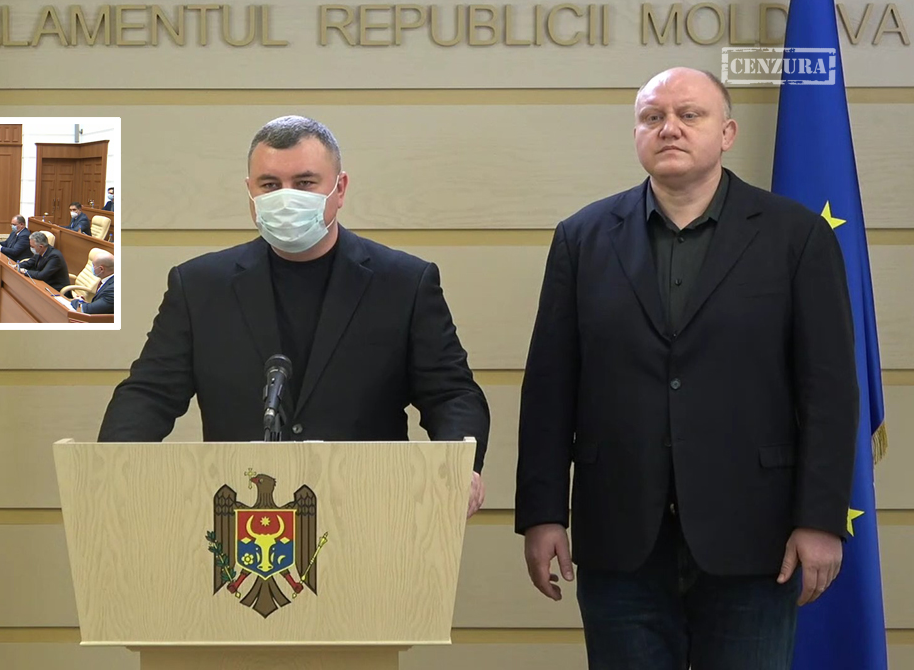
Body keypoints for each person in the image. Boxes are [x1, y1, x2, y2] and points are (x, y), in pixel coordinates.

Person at [515, 67, 858, 670]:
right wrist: (542, 513)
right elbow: (550, 389)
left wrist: (821, 519)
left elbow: (828, 393)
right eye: (653, 117)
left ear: (727, 133)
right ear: (636, 134)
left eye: (689, 115)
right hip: (620, 539)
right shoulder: (582, 238)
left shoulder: (796, 237)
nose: (669, 128)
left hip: (757, 540)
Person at [97, 115, 489, 516]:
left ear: (340, 188)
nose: (286, 198)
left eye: (304, 183)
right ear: (250, 193)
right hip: (241, 514)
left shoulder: (405, 283)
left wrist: (459, 466)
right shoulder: (199, 286)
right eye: (270, 185)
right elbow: (150, 394)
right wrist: (110, 468)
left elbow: (451, 394)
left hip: (371, 511)